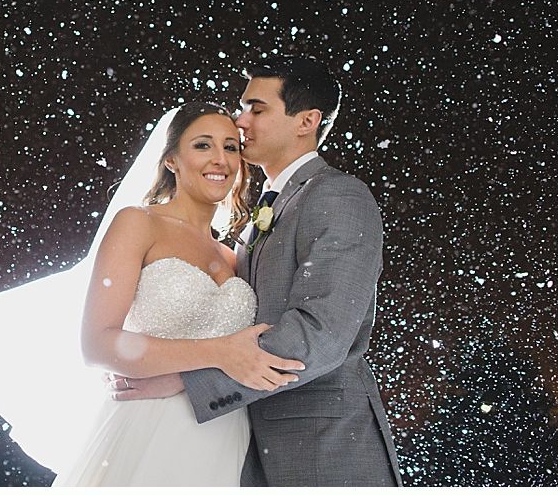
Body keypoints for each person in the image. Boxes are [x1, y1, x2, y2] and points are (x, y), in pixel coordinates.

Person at [0, 103, 304, 486]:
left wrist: (192, 374)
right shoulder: (138, 224)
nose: (220, 159)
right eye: (203, 145)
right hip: (148, 428)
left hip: (225, 433)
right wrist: (220, 352)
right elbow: (98, 345)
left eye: (230, 147)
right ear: (172, 160)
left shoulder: (235, 256)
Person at [109, 56, 404, 486]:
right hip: (239, 446)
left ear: (307, 121)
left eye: (257, 109)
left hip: (321, 450)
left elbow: (320, 334)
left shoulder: (338, 196)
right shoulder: (260, 215)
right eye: (242, 107)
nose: (240, 120)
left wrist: (188, 381)